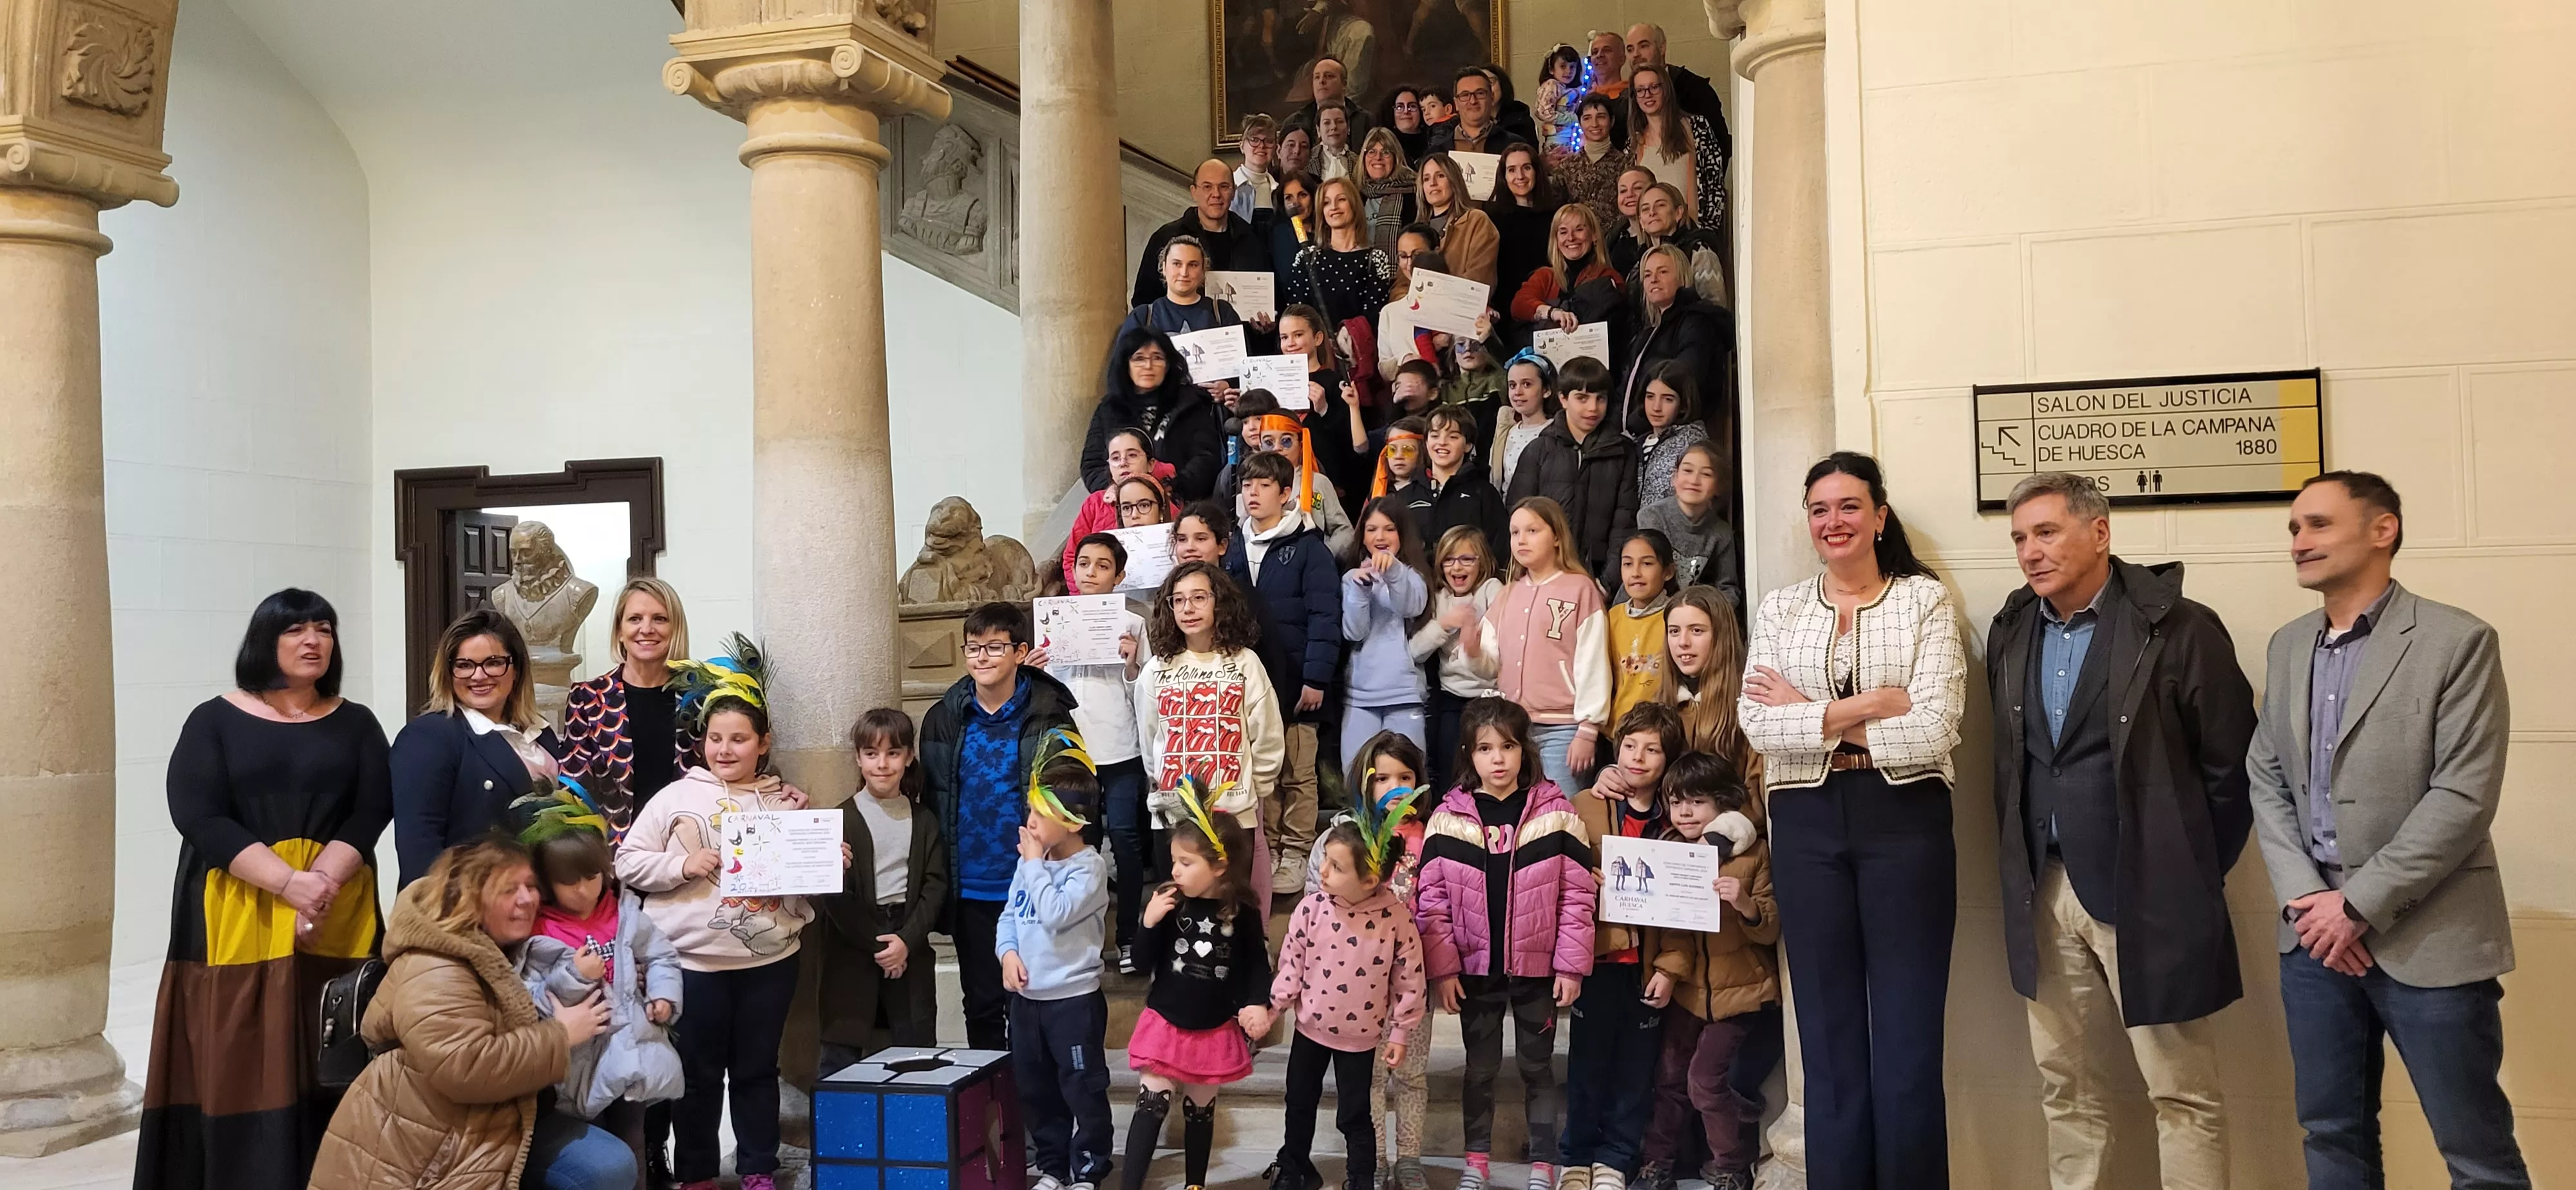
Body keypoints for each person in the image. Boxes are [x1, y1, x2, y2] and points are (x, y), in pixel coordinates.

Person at [2245, 471, 2531, 1187]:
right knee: (2331, 1135)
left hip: (2427, 938)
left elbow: (2463, 796)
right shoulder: (2287, 647)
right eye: (2292, 529)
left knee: (2476, 1156)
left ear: (2383, 530)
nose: (2299, 542)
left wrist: (2357, 905)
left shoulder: (2456, 640)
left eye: (2316, 524)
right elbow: (2267, 778)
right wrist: (2311, 902)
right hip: (2311, 940)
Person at [1984, 471, 2257, 1190]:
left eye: (2046, 532)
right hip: (2042, 890)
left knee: (2181, 1093)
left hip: (2150, 892)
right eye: (2019, 537)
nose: (2029, 552)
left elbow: (2233, 769)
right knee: (2066, 1091)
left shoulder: (2180, 626)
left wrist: (2190, 868)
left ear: (2099, 532)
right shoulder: (2012, 629)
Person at [1740, 451, 1966, 1190]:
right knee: (1827, 1039)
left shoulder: (1924, 602)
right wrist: (1868, 706)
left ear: (1878, 516)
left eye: (1847, 506)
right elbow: (1756, 725)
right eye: (1818, 509)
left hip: (1904, 818)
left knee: (1905, 1036)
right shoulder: (1779, 608)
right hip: (1805, 821)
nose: (1832, 522)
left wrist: (1806, 714)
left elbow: (1936, 730)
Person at [138, 589, 392, 1190]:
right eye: (297, 630)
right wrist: (287, 884)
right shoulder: (215, 719)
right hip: (238, 906)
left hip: (337, 906)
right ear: (265, 641)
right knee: (240, 1049)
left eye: (324, 629)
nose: (314, 641)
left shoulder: (355, 721)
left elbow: (373, 808)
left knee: (331, 1044)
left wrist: (320, 885)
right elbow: (197, 813)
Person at [614, 640, 822, 1190]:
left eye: (739, 739)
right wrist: (683, 865)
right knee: (700, 1076)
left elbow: (805, 883)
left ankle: (757, 1168)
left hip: (770, 962)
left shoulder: (783, 804)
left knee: (757, 1072)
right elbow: (628, 861)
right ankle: (699, 1174)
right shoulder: (673, 798)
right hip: (693, 966)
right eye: (716, 739)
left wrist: (825, 858)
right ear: (702, 741)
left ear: (763, 744)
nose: (725, 750)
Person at [308, 838, 632, 1190]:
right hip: (436, 1142)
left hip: (494, 1113)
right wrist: (561, 1036)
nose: (528, 899)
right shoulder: (436, 966)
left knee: (612, 1162)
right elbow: (464, 1067)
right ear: (469, 896)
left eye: (530, 886)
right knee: (607, 1168)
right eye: (509, 890)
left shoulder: (504, 949)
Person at [1416, 696, 1598, 1190]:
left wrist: (1571, 967)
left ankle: (1543, 1164)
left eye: (1508, 746)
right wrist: (1444, 970)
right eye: (1485, 748)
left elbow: (1578, 896)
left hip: (1538, 972)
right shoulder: (1447, 818)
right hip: (1476, 973)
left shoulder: (1557, 814)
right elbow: (1431, 904)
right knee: (1480, 1070)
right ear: (1469, 754)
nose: (1497, 758)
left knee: (1538, 1068)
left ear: (1525, 750)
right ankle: (1476, 1163)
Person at [921, 601, 1083, 1050]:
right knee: (983, 1004)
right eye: (974, 648)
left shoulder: (1051, 716)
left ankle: (1032, 1105)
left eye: (995, 647)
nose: (983, 658)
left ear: (1020, 652)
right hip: (971, 886)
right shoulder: (943, 718)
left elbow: (1075, 799)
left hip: (1032, 883)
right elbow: (930, 799)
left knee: (1030, 1002)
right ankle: (991, 1111)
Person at [511, 794, 685, 1178]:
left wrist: (664, 996)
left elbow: (661, 956)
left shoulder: (624, 914)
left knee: (633, 1140)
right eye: (568, 882)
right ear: (546, 882)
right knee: (593, 1147)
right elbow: (531, 998)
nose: (584, 890)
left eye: (592, 877)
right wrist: (575, 976)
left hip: (632, 1050)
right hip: (577, 1065)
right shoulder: (539, 934)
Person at [1267, 800, 1429, 1190]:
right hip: (1309, 1032)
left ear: (1370, 879)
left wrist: (1401, 1033)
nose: (1322, 871)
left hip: (1359, 1042)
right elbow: (1291, 963)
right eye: (1325, 860)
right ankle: (1294, 1168)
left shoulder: (1395, 919)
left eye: (1337, 867)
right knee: (1299, 1103)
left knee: (1355, 1115)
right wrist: (1273, 1009)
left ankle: (1360, 1179)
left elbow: (1410, 981)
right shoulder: (1311, 909)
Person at [1558, 703, 1687, 1190]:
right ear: (1615, 748)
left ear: (1668, 759)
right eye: (1630, 746)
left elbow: (1684, 907)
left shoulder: (1678, 819)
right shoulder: (1588, 805)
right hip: (1597, 960)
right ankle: (1575, 1158)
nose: (1639, 757)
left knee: (1636, 1072)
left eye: (1653, 749)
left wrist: (1671, 968)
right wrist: (1581, 875)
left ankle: (1615, 1159)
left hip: (1648, 966)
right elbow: (1559, 874)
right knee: (1587, 1065)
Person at [1636, 753, 1777, 1190]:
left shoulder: (1752, 853)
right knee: (1670, 1079)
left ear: (1724, 803)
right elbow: (1673, 931)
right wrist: (1666, 973)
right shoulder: (1670, 852)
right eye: (1676, 802)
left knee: (1704, 1081)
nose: (1684, 812)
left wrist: (1745, 903)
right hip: (1689, 992)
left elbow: (1770, 929)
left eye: (1696, 802)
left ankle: (1731, 1166)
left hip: (1741, 995)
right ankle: (1658, 1165)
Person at [1122, 783, 1270, 1190]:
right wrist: (1148, 922)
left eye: (1186, 863)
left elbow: (1257, 967)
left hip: (1214, 1028)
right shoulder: (1169, 901)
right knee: (1151, 1102)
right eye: (1174, 861)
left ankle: (1195, 1184)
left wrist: (1259, 1003)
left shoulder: (1243, 912)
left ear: (1220, 865)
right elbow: (1139, 962)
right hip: (1166, 1022)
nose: (1175, 871)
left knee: (1201, 1109)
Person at [1033, 533, 1156, 968]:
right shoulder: (1053, 620)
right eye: (1084, 563)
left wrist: (1131, 665)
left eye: (1103, 566)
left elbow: (1145, 691)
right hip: (1073, 750)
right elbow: (1048, 690)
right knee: (1083, 841)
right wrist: (1035, 671)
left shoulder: (1133, 623)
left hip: (1120, 747)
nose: (1091, 572)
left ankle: (1128, 937)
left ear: (1119, 575)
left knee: (1124, 835)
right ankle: (1088, 940)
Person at [1135, 560, 1289, 905]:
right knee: (1179, 911)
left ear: (1219, 602)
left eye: (1199, 598)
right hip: (1173, 814)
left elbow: (1267, 735)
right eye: (1178, 600)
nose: (1188, 608)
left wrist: (1255, 789)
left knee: (1232, 908)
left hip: (1233, 813)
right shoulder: (1156, 669)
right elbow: (1150, 741)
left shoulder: (1245, 662)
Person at [997, 748, 1115, 1190]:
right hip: (1028, 1003)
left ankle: (1088, 1168)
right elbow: (1011, 915)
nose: (1029, 820)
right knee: (1037, 1090)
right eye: (1030, 809)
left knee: (1082, 1087)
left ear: (1073, 822)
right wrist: (1008, 954)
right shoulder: (1031, 863)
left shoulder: (1089, 868)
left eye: (1040, 813)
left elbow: (1056, 913)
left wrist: (1032, 864)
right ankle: (1052, 1167)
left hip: (1072, 1003)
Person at [1227, 450, 1345, 892]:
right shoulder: (1234, 547)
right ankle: (1269, 847)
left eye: (1263, 485)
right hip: (1252, 683)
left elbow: (1324, 616)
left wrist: (1316, 677)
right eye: (1246, 485)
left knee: (1298, 770)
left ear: (1285, 492)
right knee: (1263, 770)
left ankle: (1295, 850)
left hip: (1298, 679)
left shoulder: (1308, 547)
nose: (1253, 493)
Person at [819, 708, 951, 1067]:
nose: (882, 764)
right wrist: (880, 946)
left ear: (908, 757)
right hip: (855, 944)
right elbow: (835, 895)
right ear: (858, 758)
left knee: (916, 1052)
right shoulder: (840, 819)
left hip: (908, 938)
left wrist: (906, 941)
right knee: (841, 1051)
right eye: (872, 754)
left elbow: (934, 886)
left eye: (893, 753)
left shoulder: (923, 819)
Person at [392, 608, 556, 888]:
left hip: (539, 905)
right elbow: (420, 852)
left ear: (516, 669)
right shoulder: (429, 735)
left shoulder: (541, 732)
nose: (479, 676)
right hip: (465, 910)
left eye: (493, 663)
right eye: (465, 665)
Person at [1468, 498, 1613, 795]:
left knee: (1560, 813)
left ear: (1557, 537)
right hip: (1511, 730)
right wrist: (1472, 649)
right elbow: (1489, 665)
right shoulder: (1508, 593)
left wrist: (1588, 730)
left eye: (1533, 531)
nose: (1522, 540)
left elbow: (1594, 662)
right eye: (1515, 532)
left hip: (1563, 730)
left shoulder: (1580, 589)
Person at [552, 577, 701, 840]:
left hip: (690, 852)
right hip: (614, 858)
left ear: (676, 628)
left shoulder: (701, 698)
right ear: (620, 631)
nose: (647, 629)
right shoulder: (587, 699)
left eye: (660, 619)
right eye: (635, 619)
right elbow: (574, 789)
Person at [1505, 357, 1641, 586]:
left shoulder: (1623, 452)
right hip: (1543, 574)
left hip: (1596, 576)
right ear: (1563, 399)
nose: (1593, 408)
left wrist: (1607, 582)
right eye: (1582, 398)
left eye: (1601, 399)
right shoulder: (1539, 449)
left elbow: (1624, 522)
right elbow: (1519, 514)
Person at [1083, 324, 1227, 503]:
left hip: (1180, 506)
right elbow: (1092, 464)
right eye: (1139, 359)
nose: (1148, 366)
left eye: (1157, 358)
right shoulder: (1109, 409)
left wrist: (1171, 489)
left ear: (1168, 365)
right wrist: (1116, 489)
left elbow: (1206, 459)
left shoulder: (1192, 403)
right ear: (1126, 365)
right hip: (1121, 507)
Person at [1341, 496, 1434, 768]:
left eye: (1389, 529)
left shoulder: (1413, 575)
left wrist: (1393, 570)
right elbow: (1354, 632)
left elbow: (1411, 607)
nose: (1380, 536)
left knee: (1407, 774)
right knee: (1357, 775)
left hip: (1404, 694)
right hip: (1360, 695)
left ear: (1402, 534)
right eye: (1371, 529)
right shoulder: (1352, 578)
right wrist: (1360, 591)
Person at [1413, 525, 1505, 791]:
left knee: (1485, 769)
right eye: (1449, 560)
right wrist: (1443, 625)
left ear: (1482, 562)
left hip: (1490, 698)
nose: (1457, 568)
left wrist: (1473, 646)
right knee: (1447, 767)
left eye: (1467, 559)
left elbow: (1497, 657)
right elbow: (1415, 652)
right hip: (1452, 698)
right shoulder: (1439, 598)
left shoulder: (1491, 590)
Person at [1620, 245, 1730, 437]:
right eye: (1647, 275)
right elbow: (1624, 389)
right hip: (1639, 437)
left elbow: (1682, 384)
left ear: (1682, 277)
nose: (1653, 279)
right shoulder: (1648, 334)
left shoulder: (1697, 323)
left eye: (1662, 272)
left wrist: (1632, 427)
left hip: (1675, 437)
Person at [1136, 160, 1273, 307]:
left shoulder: (1251, 240)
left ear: (1233, 192)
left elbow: (1267, 297)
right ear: (1194, 192)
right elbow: (1143, 301)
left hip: (1240, 329)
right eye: (1208, 187)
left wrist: (1263, 327)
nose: (1216, 194)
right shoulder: (1167, 238)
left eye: (1224, 187)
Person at [1063, 429, 1176, 587]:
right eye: (1116, 458)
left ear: (1151, 464)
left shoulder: (1168, 506)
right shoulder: (1095, 504)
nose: (1123, 462)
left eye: (1132, 455)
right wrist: (1083, 599)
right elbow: (1072, 557)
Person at [1283, 176, 1396, 331]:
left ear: (1354, 204)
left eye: (1341, 199)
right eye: (1326, 203)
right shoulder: (1307, 258)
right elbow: (1296, 312)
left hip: (1357, 350)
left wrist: (1349, 335)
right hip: (1316, 349)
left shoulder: (1375, 260)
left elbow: (1375, 316)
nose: (1334, 207)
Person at [1638, 442, 1743, 606]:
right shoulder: (1652, 517)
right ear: (1674, 478)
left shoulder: (1721, 533)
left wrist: (1705, 611)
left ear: (1719, 486)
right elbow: (1647, 580)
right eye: (1687, 470)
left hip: (1693, 616)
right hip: (1648, 611)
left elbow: (1728, 589)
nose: (1694, 480)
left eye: (1706, 474)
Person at [1508, 203, 1625, 348]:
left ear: (1594, 235)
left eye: (1579, 230)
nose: (1571, 238)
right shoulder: (1545, 276)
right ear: (1556, 240)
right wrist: (1552, 312)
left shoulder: (1609, 278)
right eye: (1563, 232)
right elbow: (1519, 306)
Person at [1627, 66, 1727, 232]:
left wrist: (1706, 236)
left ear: (1665, 89)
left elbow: (1714, 184)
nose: (1648, 95)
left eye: (1654, 87)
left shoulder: (1697, 128)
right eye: (1641, 90)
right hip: (1651, 240)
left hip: (1692, 234)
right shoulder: (1634, 144)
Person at [1609, 531, 1679, 726]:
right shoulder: (1612, 618)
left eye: (1647, 563)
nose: (1636, 573)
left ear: (1668, 572)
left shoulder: (1676, 617)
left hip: (1661, 729)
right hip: (1616, 730)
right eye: (1628, 564)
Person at [1119, 235, 1248, 339]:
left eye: (1193, 265)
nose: (1184, 273)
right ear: (1164, 268)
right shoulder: (1143, 317)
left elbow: (1242, 364)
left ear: (1203, 270)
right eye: (1177, 264)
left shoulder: (1222, 313)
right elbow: (1120, 367)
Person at [1627, 182, 1728, 305]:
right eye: (1645, 209)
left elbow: (1717, 309)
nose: (1652, 212)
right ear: (1641, 222)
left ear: (1678, 213)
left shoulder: (1699, 252)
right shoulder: (1638, 264)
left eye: (1660, 205)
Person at [1488, 142, 1557, 320]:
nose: (1520, 176)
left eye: (1526, 168)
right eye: (1512, 170)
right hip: (1504, 310)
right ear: (1503, 176)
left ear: (1537, 171)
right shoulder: (1491, 217)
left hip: (1549, 305)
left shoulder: (1556, 214)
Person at [1423, 404, 1507, 550]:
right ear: (1426, 442)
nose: (1442, 442)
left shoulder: (1484, 493)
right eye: (1435, 436)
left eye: (1453, 437)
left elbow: (1499, 547)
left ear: (1468, 445)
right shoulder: (1409, 492)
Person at [1416, 153, 1500, 285]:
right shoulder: (1416, 230)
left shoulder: (1476, 221)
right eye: (1426, 179)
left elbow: (1479, 280)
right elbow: (1401, 283)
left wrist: (1436, 297)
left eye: (1441, 176)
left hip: (1460, 303)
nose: (1433, 183)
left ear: (1454, 180)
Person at [1554, 95, 1634, 231]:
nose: (1595, 124)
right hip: (1576, 242)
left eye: (1601, 117)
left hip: (1615, 242)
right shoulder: (1567, 166)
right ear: (1580, 123)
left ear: (1612, 121)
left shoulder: (1627, 164)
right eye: (1587, 118)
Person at [1633, 363, 1710, 506]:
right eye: (1650, 397)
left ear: (1683, 405)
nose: (1656, 407)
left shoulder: (1692, 442)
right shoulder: (1636, 443)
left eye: (1668, 399)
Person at [1625, 23, 1728, 128]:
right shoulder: (1625, 100)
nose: (1635, 54)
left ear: (1662, 48)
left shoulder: (1694, 89)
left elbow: (1719, 139)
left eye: (1643, 46)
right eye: (1630, 50)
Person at [1376, 231, 1442, 381]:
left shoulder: (1454, 302)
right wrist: (1405, 360)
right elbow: (1384, 369)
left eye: (1417, 255)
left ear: (1436, 253)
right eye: (1403, 256)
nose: (1410, 264)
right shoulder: (1390, 312)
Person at [1490, 349, 1558, 493]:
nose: (1517, 392)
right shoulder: (1506, 431)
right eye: (1512, 385)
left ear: (1546, 390)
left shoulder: (1557, 431)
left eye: (1527, 384)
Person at [1430, 66, 1528, 157]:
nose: (1473, 101)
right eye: (1465, 95)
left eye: (1480, 93)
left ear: (1492, 98)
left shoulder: (1516, 147)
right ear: (1456, 103)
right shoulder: (1437, 152)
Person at [1358, 127, 1420, 252]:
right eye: (1371, 151)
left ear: (1395, 157)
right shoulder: (1357, 196)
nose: (1378, 158)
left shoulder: (1413, 194)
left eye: (1385, 152)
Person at [1605, 166, 1659, 276]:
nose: (1629, 195)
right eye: (1623, 191)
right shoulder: (1613, 238)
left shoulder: (1663, 234)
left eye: (1638, 188)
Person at [1534, 43, 1586, 150]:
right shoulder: (1552, 85)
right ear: (1551, 69)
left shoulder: (1573, 90)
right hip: (1557, 140)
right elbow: (1543, 111)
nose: (1568, 71)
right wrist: (1574, 119)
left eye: (1572, 67)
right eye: (1563, 66)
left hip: (1573, 138)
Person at [1232, 113, 1283, 220]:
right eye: (1254, 140)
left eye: (1269, 141)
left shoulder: (1280, 191)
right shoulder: (1229, 186)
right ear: (1242, 146)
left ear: (1275, 149)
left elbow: (1296, 223)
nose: (1262, 146)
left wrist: (1303, 236)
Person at [1379, 84, 1430, 164]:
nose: (1406, 111)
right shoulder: (1382, 144)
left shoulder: (1435, 141)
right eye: (1400, 107)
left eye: (1412, 106)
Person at [1316, 104, 1358, 182]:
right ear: (1318, 130)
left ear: (1348, 128)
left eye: (1339, 122)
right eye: (1327, 123)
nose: (1334, 127)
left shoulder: (1359, 163)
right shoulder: (1307, 160)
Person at [1586, 31, 1630, 103]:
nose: (1599, 55)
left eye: (1606, 50)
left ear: (1622, 59)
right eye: (1595, 52)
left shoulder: (1634, 96)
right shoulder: (1585, 98)